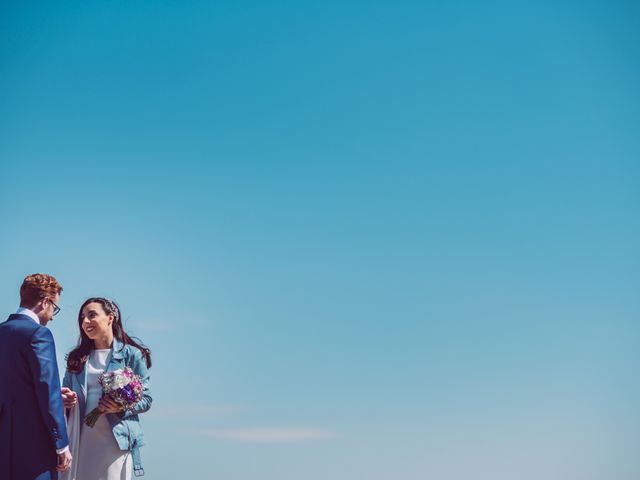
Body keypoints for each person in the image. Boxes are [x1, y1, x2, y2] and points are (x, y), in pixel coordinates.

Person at [61, 297, 152, 479]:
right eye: (82, 318)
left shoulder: (132, 355)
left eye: (92, 315)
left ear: (110, 318)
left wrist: (121, 407)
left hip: (115, 442)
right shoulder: (76, 358)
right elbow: (64, 394)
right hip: (80, 439)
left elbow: (146, 399)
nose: (85, 321)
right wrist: (65, 399)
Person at [0, 273, 73, 479]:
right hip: (34, 446)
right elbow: (46, 390)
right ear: (45, 302)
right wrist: (61, 445)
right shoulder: (38, 334)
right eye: (54, 308)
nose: (52, 316)